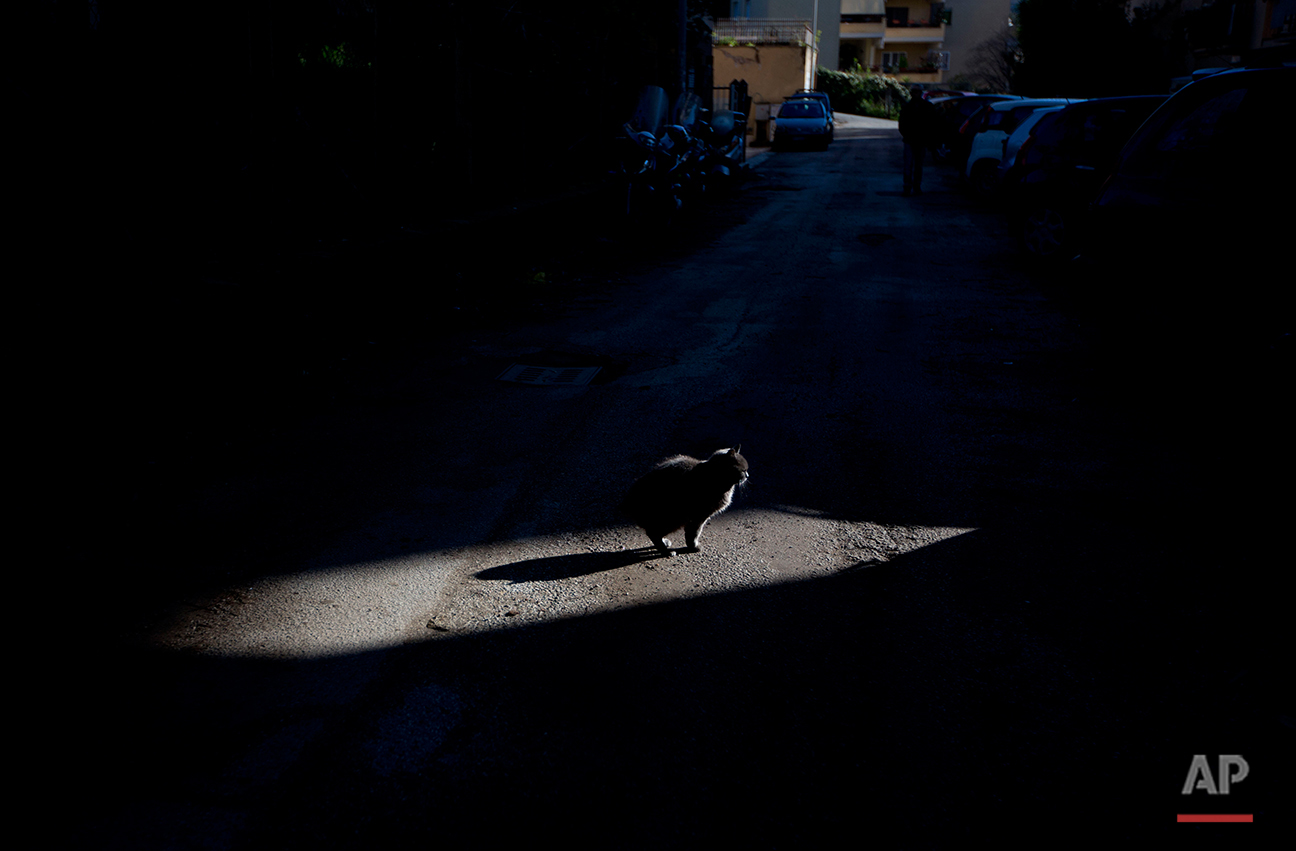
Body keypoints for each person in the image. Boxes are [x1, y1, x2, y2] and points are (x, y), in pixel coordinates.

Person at [898, 85, 936, 195]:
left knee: (916, 165)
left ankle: (915, 186)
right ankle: (909, 186)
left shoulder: (925, 107)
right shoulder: (908, 107)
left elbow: (931, 124)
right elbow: (901, 125)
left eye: (917, 92)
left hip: (919, 140)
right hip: (911, 140)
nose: (915, 94)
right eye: (914, 92)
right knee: (910, 165)